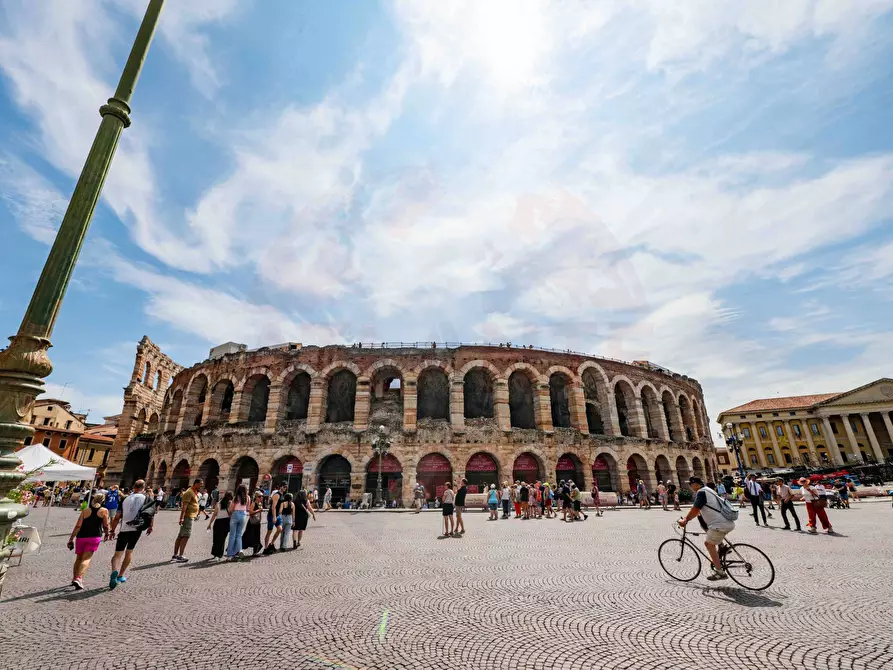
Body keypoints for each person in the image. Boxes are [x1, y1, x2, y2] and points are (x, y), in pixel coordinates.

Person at [678, 477, 735, 581]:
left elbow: (695, 509)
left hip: (719, 524)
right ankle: (721, 549)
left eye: (690, 484)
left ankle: (720, 572)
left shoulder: (701, 492)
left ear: (695, 484)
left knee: (709, 544)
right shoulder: (709, 490)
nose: (690, 486)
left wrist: (685, 520)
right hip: (727, 522)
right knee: (713, 538)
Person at [107, 479, 155, 588]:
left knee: (117, 554)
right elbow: (150, 514)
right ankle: (120, 575)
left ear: (134, 487)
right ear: (143, 488)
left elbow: (117, 517)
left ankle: (114, 571)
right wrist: (151, 526)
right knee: (129, 552)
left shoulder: (125, 498)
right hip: (136, 530)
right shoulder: (147, 498)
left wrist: (112, 530)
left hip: (124, 529)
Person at [67, 491, 109, 590]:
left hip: (81, 537)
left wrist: (71, 538)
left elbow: (78, 526)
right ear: (103, 501)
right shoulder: (104, 511)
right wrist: (107, 534)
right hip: (94, 537)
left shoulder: (85, 510)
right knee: (86, 559)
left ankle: (74, 578)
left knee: (78, 558)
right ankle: (79, 578)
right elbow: (106, 525)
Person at [172, 478, 203, 562]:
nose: (201, 485)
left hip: (190, 516)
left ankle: (175, 555)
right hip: (188, 517)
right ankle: (180, 556)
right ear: (196, 483)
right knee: (185, 536)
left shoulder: (193, 492)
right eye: (200, 484)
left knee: (181, 536)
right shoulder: (189, 492)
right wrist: (182, 518)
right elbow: (184, 507)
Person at [208, 490, 233, 561]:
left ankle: (215, 554)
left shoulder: (218, 503)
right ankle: (218, 555)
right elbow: (231, 514)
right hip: (226, 522)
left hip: (218, 522)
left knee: (216, 539)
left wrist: (210, 523)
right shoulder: (230, 503)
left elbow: (214, 514)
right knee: (222, 540)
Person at [264, 482, 287, 554]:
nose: (285, 488)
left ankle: (271, 544)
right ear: (281, 486)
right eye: (284, 486)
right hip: (271, 515)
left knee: (280, 529)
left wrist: (280, 513)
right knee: (269, 531)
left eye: (286, 487)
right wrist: (274, 517)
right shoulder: (277, 495)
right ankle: (266, 548)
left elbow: (281, 505)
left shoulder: (282, 495)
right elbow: (273, 507)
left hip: (278, 515)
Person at [242, 490, 265, 556]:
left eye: (262, 496)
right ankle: (237, 549)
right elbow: (250, 512)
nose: (261, 498)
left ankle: (255, 552)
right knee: (247, 536)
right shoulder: (253, 503)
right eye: (259, 496)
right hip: (252, 523)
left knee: (256, 537)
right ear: (256, 497)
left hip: (257, 523)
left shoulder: (260, 503)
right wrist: (258, 510)